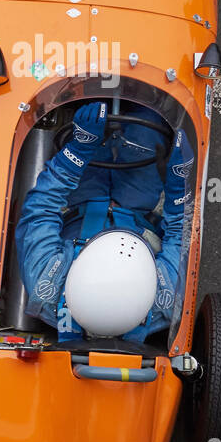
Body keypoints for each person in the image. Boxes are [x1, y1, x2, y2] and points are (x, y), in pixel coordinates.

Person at [15, 100, 194, 341]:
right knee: (149, 120)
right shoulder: (165, 300)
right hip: (136, 207)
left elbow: (41, 209)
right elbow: (182, 234)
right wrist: (179, 189)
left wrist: (76, 153)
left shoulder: (45, 283)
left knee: (85, 112)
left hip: (83, 201)